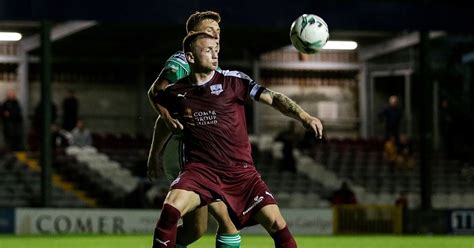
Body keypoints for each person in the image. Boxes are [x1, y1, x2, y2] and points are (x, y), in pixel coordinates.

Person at [149, 31, 323, 248]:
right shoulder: (176, 93)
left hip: (241, 173)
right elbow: (161, 115)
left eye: (216, 50)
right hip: (200, 171)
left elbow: (273, 97)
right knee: (171, 209)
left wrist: (304, 117)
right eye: (208, 50)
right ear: (190, 57)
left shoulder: (234, 81)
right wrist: (154, 154)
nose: (215, 56)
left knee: (277, 224)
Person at [147, 11, 241, 248]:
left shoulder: (207, 68)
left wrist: (154, 154)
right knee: (228, 222)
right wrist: (166, 120)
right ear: (193, 35)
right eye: (210, 30)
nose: (216, 35)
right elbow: (157, 91)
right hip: (189, 153)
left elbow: (166, 117)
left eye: (218, 32)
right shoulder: (182, 61)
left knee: (196, 230)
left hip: (201, 153)